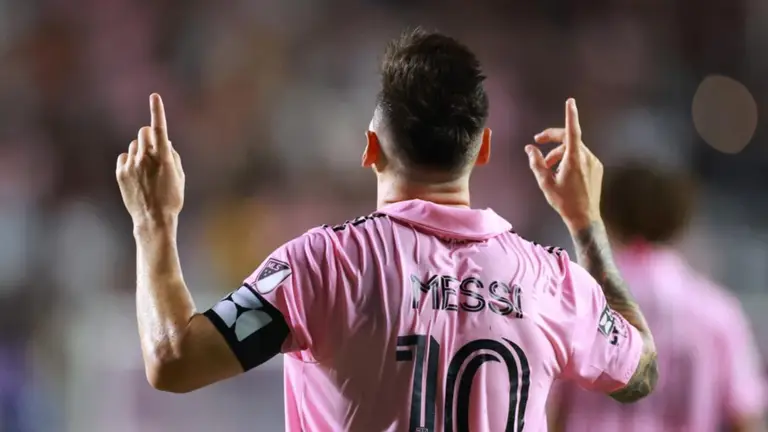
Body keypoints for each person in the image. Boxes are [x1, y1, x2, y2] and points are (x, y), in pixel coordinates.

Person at [115, 29, 658, 431]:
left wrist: (153, 221)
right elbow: (641, 372)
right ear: (483, 151)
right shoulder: (551, 281)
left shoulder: (322, 265)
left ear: (370, 149)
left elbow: (175, 360)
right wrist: (585, 222)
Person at [548, 163, 766, 432]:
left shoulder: (572, 304)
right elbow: (745, 416)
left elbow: (549, 410)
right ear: (681, 223)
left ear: (605, 217)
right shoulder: (718, 313)